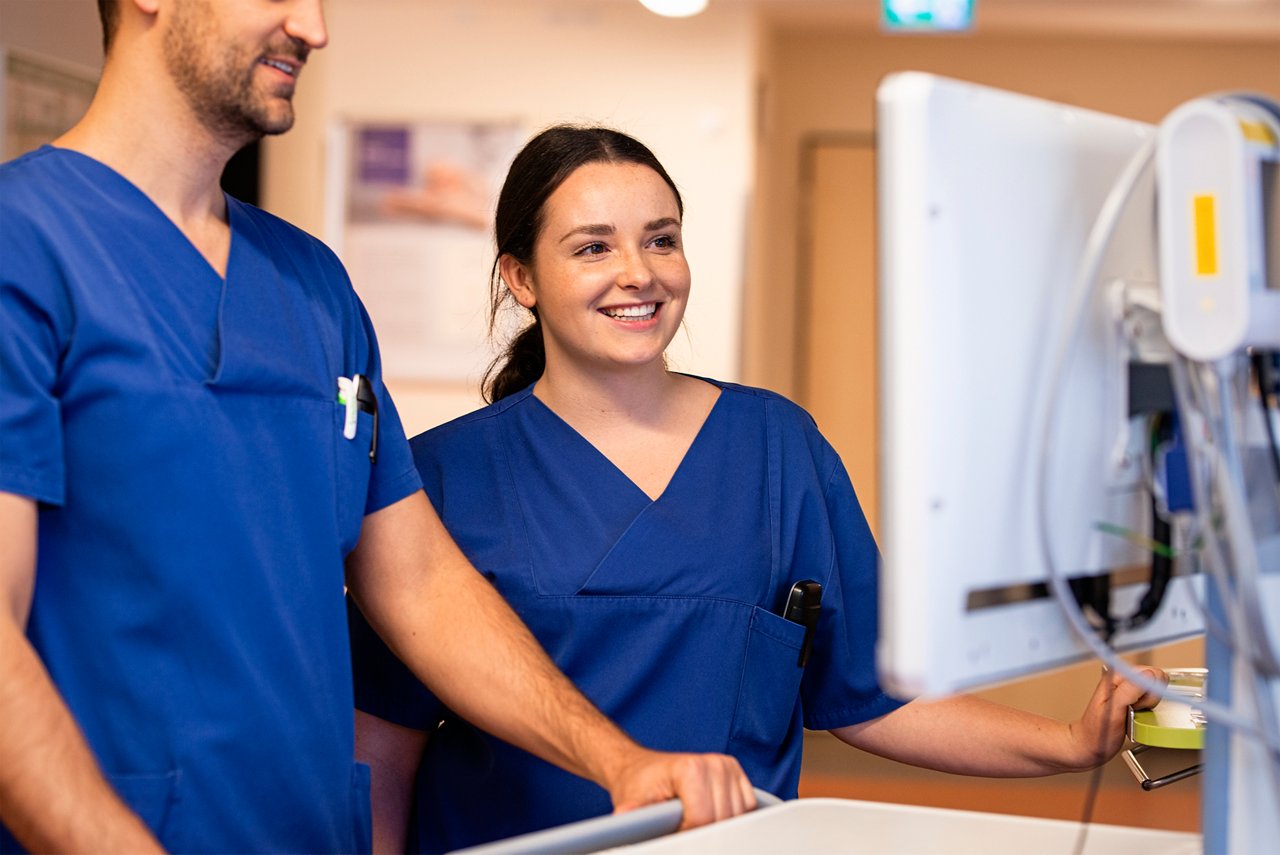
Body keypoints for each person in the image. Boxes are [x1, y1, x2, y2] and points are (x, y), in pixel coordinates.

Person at [0, 4, 754, 853]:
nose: (313, 27)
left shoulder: (311, 286)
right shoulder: (24, 247)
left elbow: (421, 582)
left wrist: (618, 760)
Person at [349, 124, 1169, 853]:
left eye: (661, 240)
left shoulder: (778, 446)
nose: (639, 273)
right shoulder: (442, 476)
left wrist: (1069, 742)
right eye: (592, 247)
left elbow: (866, 696)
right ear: (521, 278)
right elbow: (384, 746)